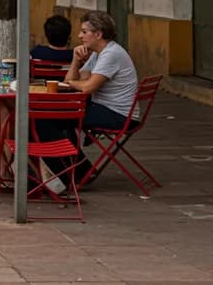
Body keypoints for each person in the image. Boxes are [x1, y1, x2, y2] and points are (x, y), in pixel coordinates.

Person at [41, 10, 140, 182]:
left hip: (118, 115)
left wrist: (74, 83)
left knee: (46, 120)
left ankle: (71, 172)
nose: (79, 36)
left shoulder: (111, 54)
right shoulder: (98, 53)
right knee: (54, 116)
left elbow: (86, 88)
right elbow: (71, 79)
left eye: (84, 32)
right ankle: (79, 169)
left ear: (98, 34)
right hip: (106, 108)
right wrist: (76, 60)